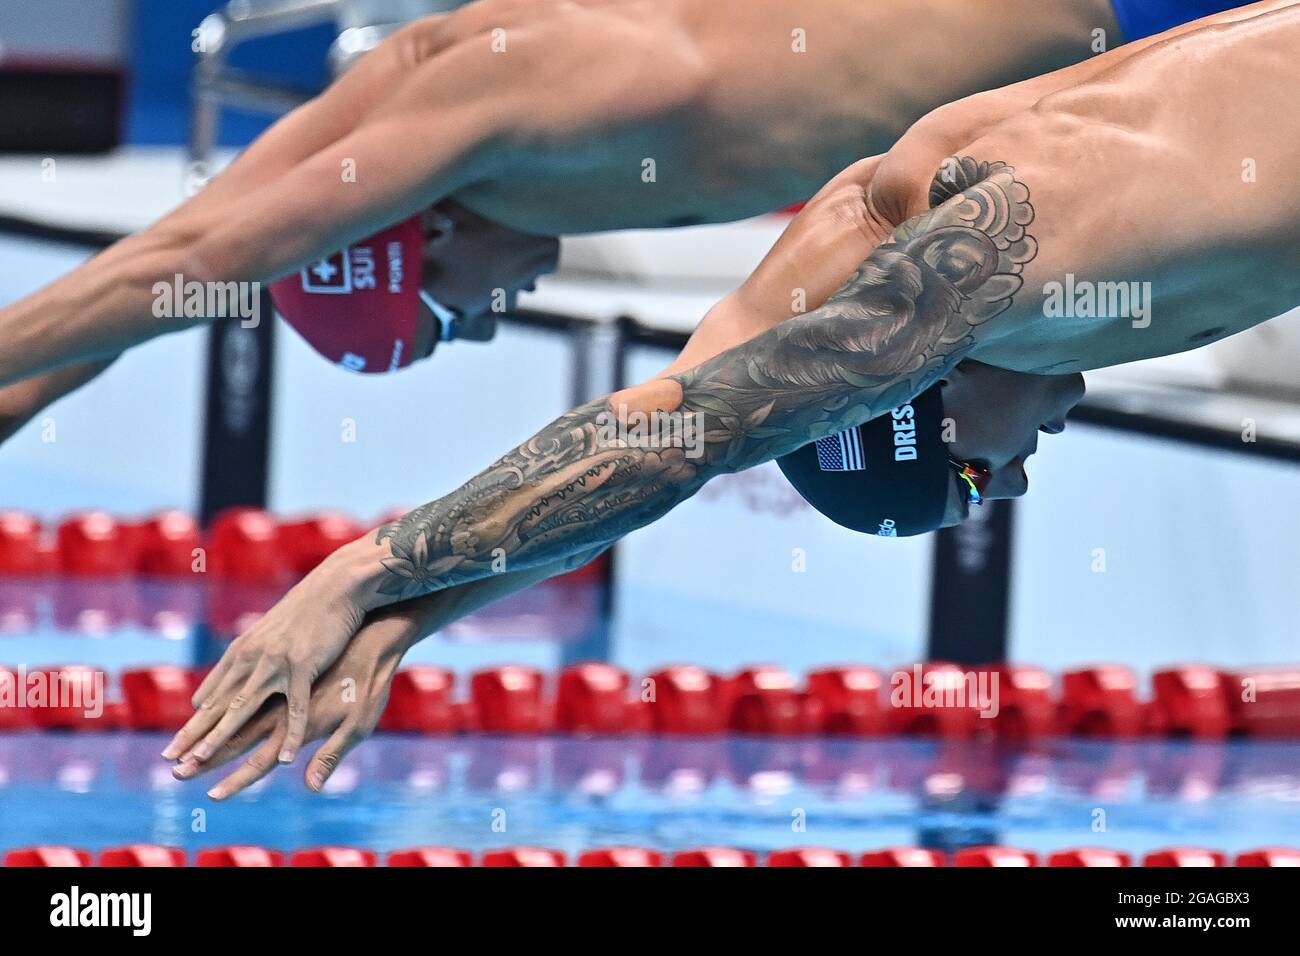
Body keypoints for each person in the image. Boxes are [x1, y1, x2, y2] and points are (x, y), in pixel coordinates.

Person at [164, 2, 1299, 796]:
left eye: (968, 479)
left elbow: (689, 440)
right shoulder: (863, 243)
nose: (1012, 479)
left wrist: (356, 573)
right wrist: (402, 630)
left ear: (918, 389)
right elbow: (656, 445)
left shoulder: (993, 262)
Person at [0, 0, 1252, 420]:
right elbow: (167, 263)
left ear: (408, 238)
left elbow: (195, 266)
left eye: (453, 318)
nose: (501, 317)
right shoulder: (433, 78)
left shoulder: (502, 104)